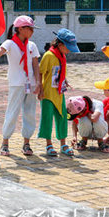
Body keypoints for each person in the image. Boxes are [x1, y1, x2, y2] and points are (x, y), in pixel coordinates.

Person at [0, 16, 41, 157]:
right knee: (12, 112)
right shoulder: (10, 43)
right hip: (16, 83)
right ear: (20, 29)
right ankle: (5, 143)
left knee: (29, 113)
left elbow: (35, 64)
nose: (32, 31)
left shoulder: (32, 45)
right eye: (29, 28)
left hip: (31, 83)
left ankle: (26, 142)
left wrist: (39, 83)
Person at [37, 28, 79, 157]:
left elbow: (59, 71)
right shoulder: (49, 55)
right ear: (60, 45)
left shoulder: (62, 56)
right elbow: (40, 72)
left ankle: (63, 144)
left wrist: (65, 80)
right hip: (48, 94)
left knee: (62, 118)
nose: (69, 50)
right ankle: (49, 144)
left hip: (59, 93)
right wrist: (40, 89)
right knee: (47, 118)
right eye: (68, 47)